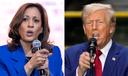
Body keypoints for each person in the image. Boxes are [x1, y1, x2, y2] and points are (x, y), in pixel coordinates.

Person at [65, 3, 128, 76]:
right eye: (89, 23)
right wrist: (80, 72)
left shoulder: (125, 56)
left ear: (111, 27)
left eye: (99, 22)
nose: (94, 27)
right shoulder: (70, 54)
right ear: (84, 28)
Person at [0, 3, 63, 76]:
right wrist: (30, 65)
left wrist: (47, 73)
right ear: (18, 25)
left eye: (36, 20)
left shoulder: (54, 53)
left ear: (42, 28)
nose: (30, 25)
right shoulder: (2, 54)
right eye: (25, 19)